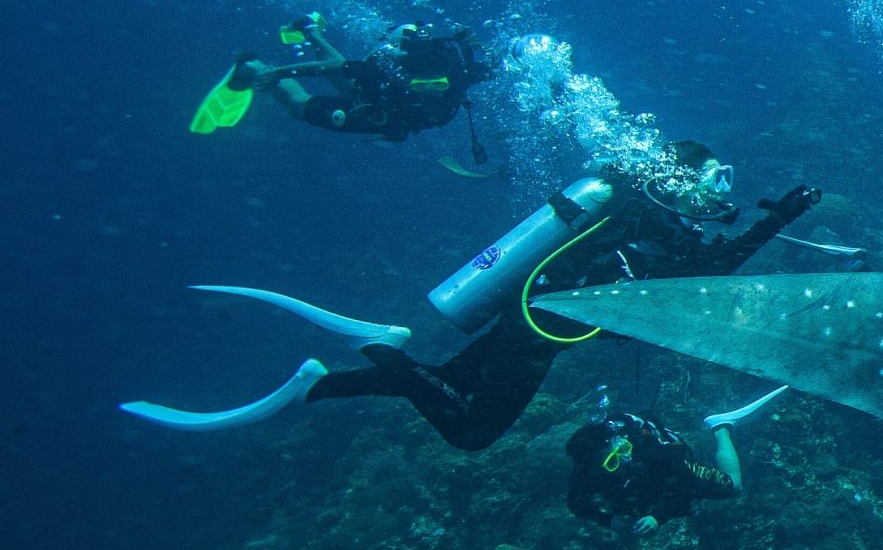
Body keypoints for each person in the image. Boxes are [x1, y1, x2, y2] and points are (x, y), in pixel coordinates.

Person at [122, 143, 821, 451]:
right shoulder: (650, 213)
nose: (717, 194)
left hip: (531, 310)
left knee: (447, 381)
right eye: (713, 179)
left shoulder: (634, 208)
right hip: (542, 328)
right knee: (472, 432)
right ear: (678, 174)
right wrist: (780, 216)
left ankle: (320, 386)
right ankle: (385, 351)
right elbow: (720, 264)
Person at [194, 16, 492, 143]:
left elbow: (496, 67)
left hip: (380, 110)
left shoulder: (455, 67)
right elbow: (335, 66)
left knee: (347, 80)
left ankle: (309, 28)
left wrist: (479, 47)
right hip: (377, 113)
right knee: (300, 105)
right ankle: (252, 68)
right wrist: (280, 72)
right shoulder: (390, 66)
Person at [564, 386, 785, 533]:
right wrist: (608, 521)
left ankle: (720, 426)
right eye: (612, 462)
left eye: (621, 451)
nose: (623, 460)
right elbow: (576, 502)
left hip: (673, 472)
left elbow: (684, 488)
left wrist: (658, 517)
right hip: (644, 485)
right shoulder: (586, 474)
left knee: (733, 487)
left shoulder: (650, 454)